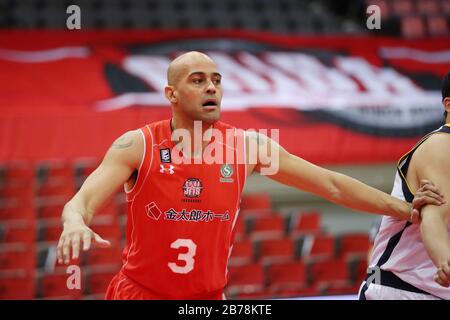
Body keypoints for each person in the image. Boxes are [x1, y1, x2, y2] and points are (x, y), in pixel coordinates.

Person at [57, 51, 445, 300]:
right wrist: (74, 222)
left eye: (216, 80)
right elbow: (83, 201)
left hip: (209, 299)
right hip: (141, 293)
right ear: (171, 94)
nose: (211, 87)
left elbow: (329, 183)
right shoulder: (137, 145)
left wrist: (404, 207)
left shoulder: (247, 146)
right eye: (197, 80)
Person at [358, 71, 450, 300]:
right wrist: (445, 262)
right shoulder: (440, 146)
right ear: (449, 104)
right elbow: (434, 218)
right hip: (401, 288)